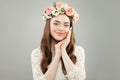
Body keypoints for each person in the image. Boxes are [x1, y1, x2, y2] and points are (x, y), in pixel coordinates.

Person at [31, 2, 86, 80]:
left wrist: (63, 51)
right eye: (56, 23)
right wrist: (57, 56)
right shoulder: (37, 54)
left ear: (70, 29)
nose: (61, 28)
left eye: (66, 25)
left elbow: (79, 78)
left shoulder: (78, 51)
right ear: (48, 26)